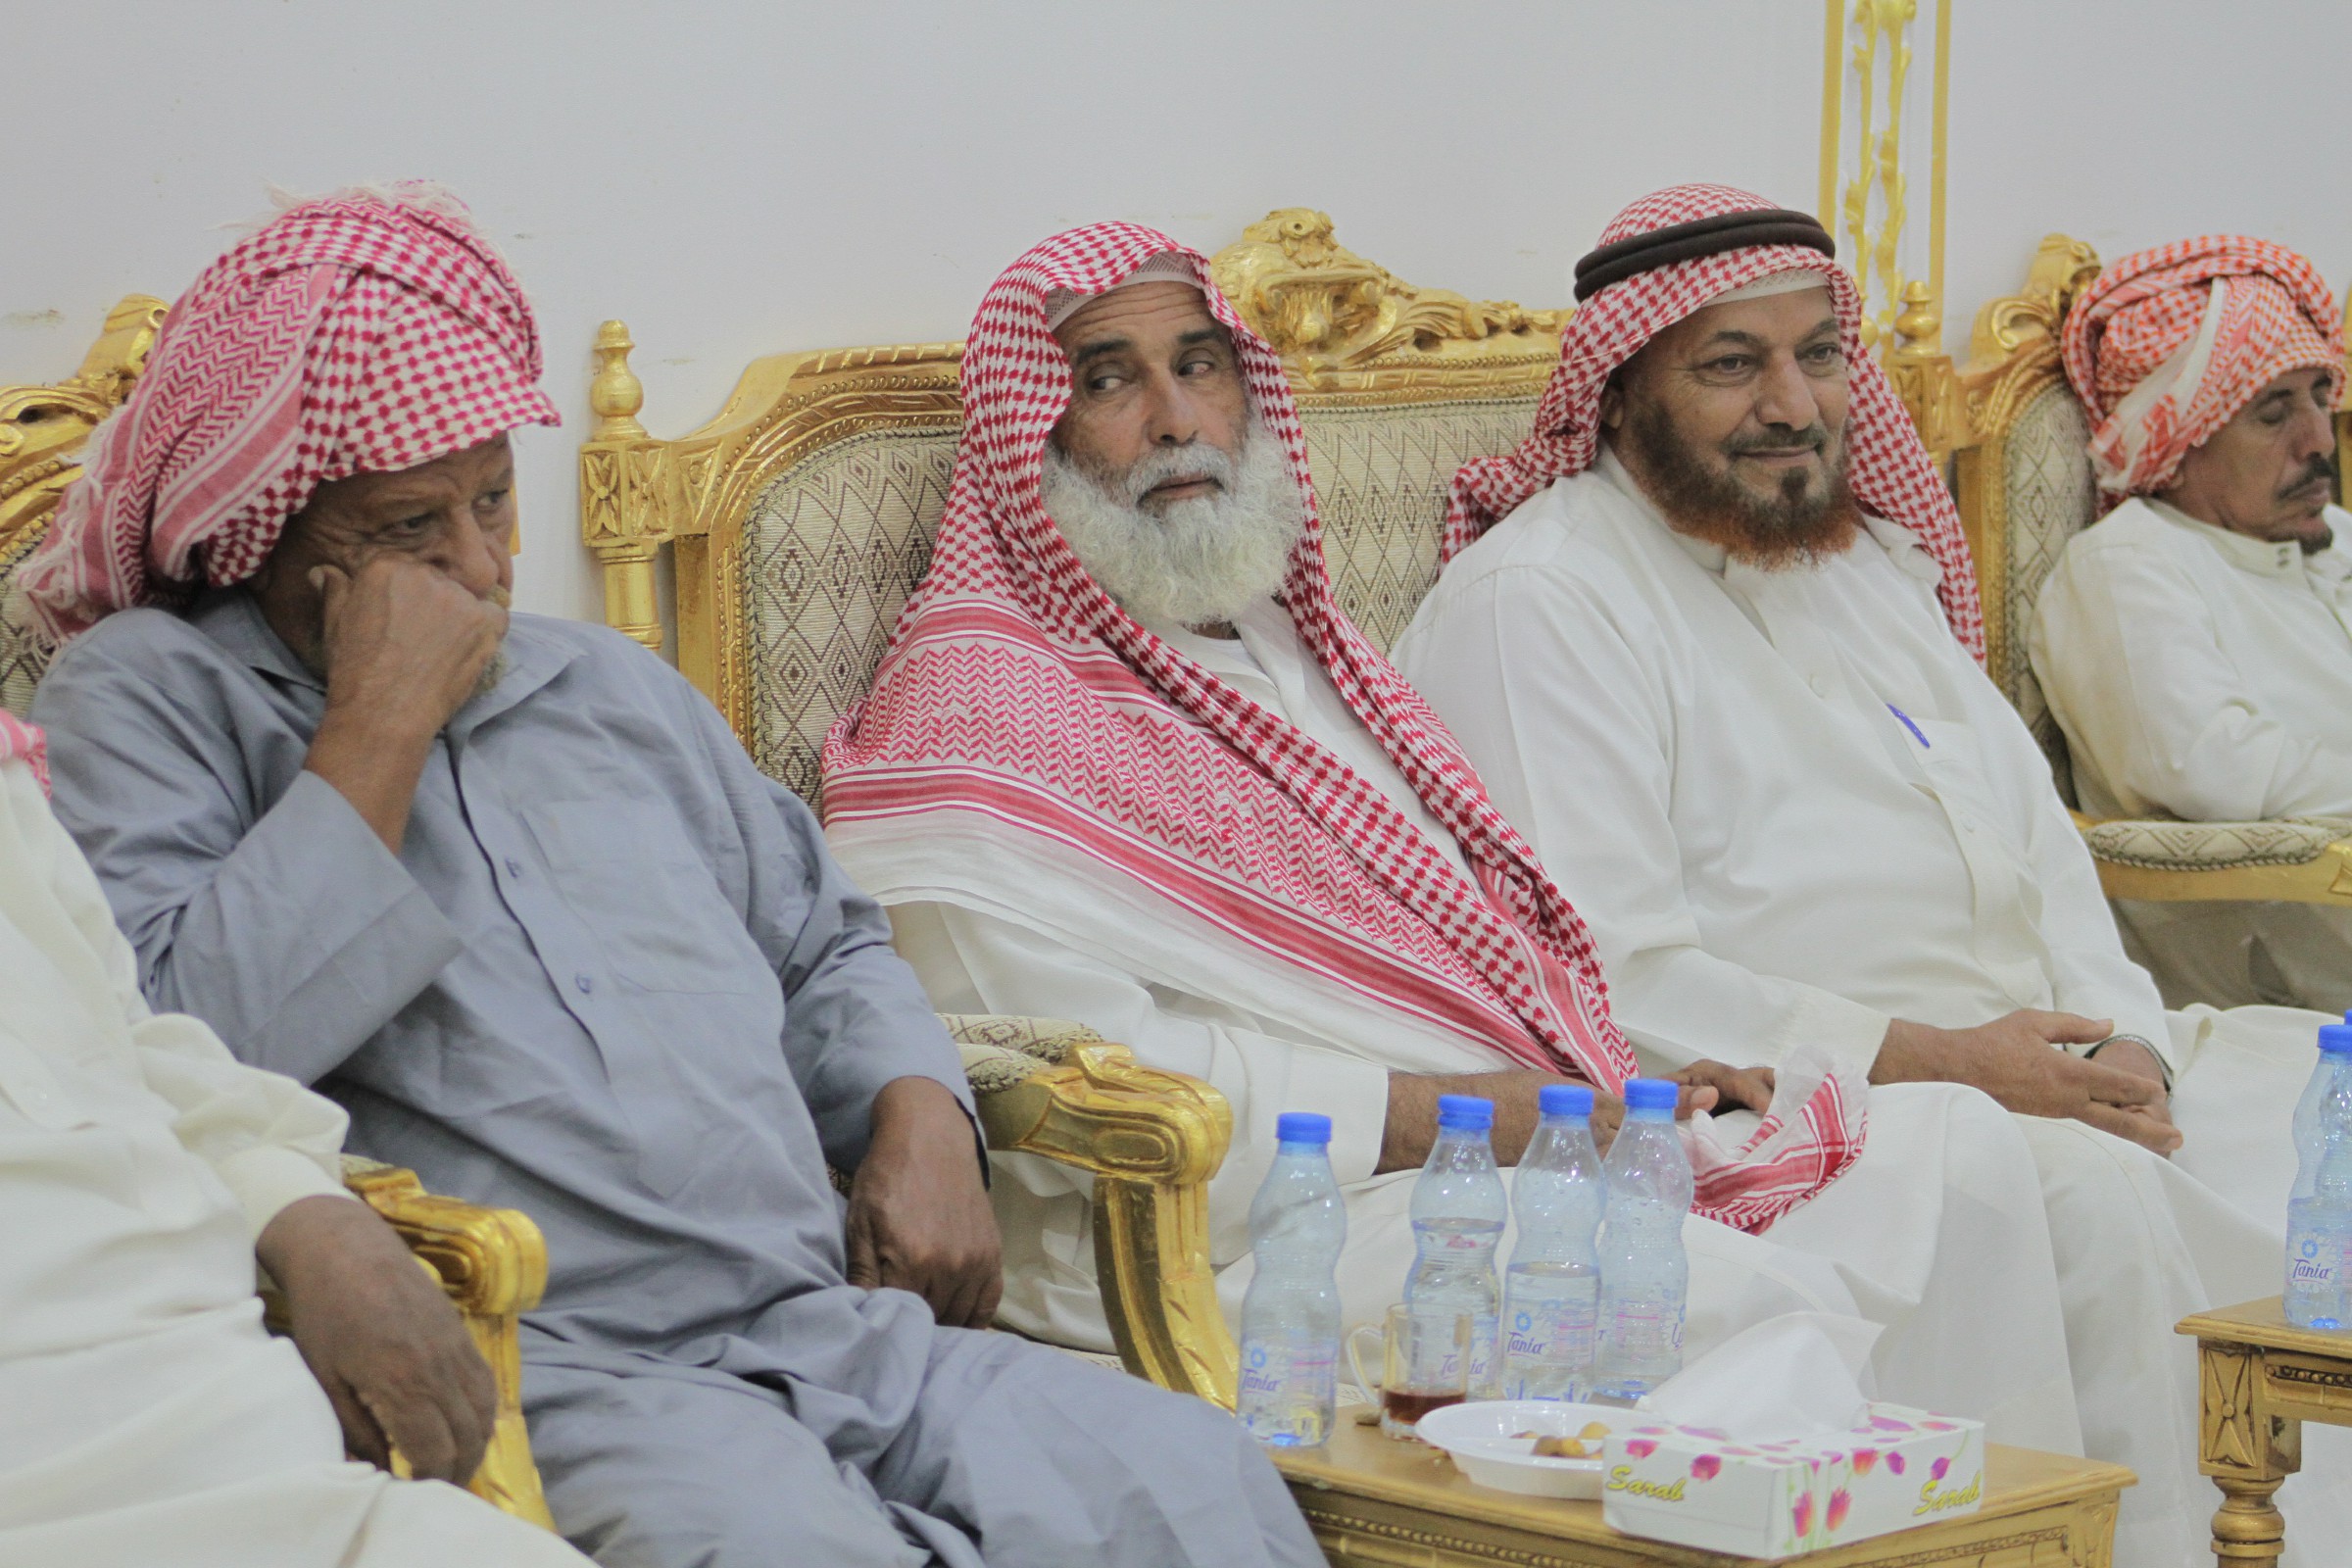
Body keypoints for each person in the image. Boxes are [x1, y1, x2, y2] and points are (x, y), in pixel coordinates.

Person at [24, 185, 1318, 1568]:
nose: (479, 568)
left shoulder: (608, 685)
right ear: (264, 525)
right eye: (409, 530)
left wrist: (922, 1109)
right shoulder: (151, 700)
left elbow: (826, 942)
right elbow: (172, 1059)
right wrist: (376, 729)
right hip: (566, 1369)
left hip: (834, 1321)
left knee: (1199, 1490)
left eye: (493, 501)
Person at [826, 222, 2135, 1494]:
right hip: (1248, 1236)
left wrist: (1625, 1081)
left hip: (1479, 1157)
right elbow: (1098, 1087)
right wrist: (1477, 1116)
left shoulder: (1292, 657)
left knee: (1960, 1170)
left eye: (1200, 365)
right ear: (1030, 436)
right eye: (1109, 381)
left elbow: (1474, 951)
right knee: (1747, 1310)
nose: (1175, 419)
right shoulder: (977, 716)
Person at [1394, 181, 2343, 1568]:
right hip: (1806, 1111)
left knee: (2318, 1110)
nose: (1794, 404)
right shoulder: (1543, 600)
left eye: (1820, 355)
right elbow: (1611, 978)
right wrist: (1955, 1063)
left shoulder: (1862, 570)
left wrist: (2124, 1038)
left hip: (2042, 1063)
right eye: (1733, 363)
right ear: (1623, 391)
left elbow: (2041, 852)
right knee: (2092, 1199)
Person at [0, 712, 588, 1568]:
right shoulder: (147, 703)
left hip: (271, 1455)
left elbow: (130, 1039)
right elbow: (242, 1009)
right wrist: (387, 715)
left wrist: (311, 1212)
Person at [2031, 235, 2352, 1012]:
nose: (2319, 440)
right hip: (2281, 979)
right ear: (2176, 446)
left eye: (2320, 397)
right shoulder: (2127, 566)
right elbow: (2214, 769)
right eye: (2274, 414)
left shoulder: (2333, 535)